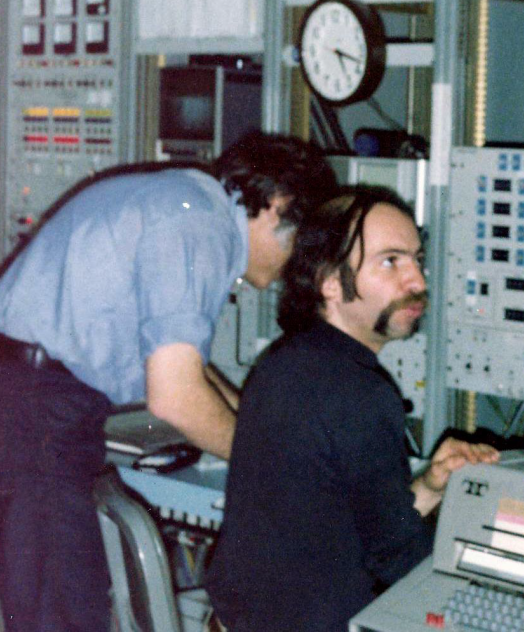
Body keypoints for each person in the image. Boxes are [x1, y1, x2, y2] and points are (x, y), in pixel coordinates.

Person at [0, 132, 337, 632]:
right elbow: (176, 397)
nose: (296, 267)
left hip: (19, 393)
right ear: (277, 206)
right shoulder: (197, 224)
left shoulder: (187, 203)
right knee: (62, 614)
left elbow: (189, 369)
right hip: (34, 405)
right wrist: (272, 474)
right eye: (302, 244)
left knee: (52, 605)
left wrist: (259, 434)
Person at [204, 185, 499, 631]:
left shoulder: (285, 361)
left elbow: (356, 528)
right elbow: (397, 560)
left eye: (417, 260)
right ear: (329, 281)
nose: (417, 281)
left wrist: (433, 485)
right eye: (390, 261)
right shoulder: (358, 392)